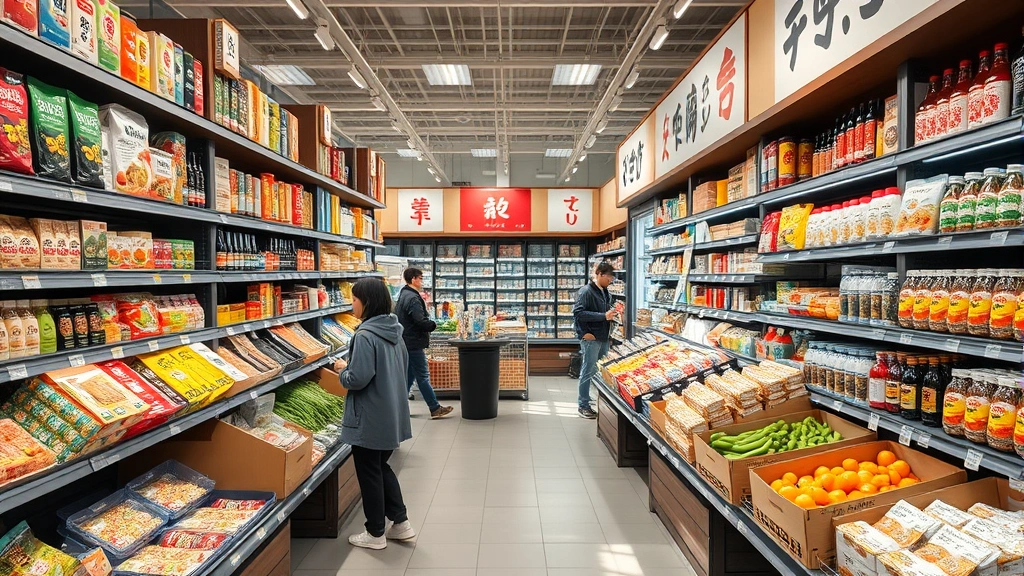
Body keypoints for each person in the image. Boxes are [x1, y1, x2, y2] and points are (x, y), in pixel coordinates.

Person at [334, 277, 415, 549]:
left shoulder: (365, 336)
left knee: (369, 472)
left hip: (369, 416)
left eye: (354, 299)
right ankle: (400, 523)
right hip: (390, 412)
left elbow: (358, 378)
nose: (352, 304)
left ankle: (375, 533)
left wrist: (341, 371)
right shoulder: (394, 331)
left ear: (366, 302)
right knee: (381, 467)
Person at [395, 267, 453, 419]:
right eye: (420, 278)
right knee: (423, 376)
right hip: (414, 343)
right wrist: (432, 324)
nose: (422, 281)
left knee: (408, 377)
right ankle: (434, 408)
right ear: (413, 279)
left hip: (406, 341)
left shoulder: (404, 294)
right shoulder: (413, 298)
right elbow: (420, 320)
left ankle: (398, 408)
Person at [572, 261, 618, 419]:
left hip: (603, 337)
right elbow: (578, 314)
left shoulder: (605, 292)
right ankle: (583, 405)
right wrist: (584, 332)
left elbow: (604, 311)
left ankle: (596, 401)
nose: (610, 280)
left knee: (599, 371)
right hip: (591, 337)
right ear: (599, 274)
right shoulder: (586, 292)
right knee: (587, 370)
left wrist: (614, 312)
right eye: (609, 277)